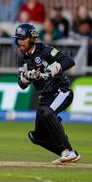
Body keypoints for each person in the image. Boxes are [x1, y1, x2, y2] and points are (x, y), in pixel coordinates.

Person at [13, 23, 81, 165]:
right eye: (18, 39)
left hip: (62, 91)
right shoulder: (22, 58)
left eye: (23, 38)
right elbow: (21, 84)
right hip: (45, 98)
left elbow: (69, 61)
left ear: (32, 38)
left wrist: (52, 70)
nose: (20, 42)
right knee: (36, 136)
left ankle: (69, 151)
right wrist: (27, 77)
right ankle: (66, 153)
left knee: (46, 111)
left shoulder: (45, 50)